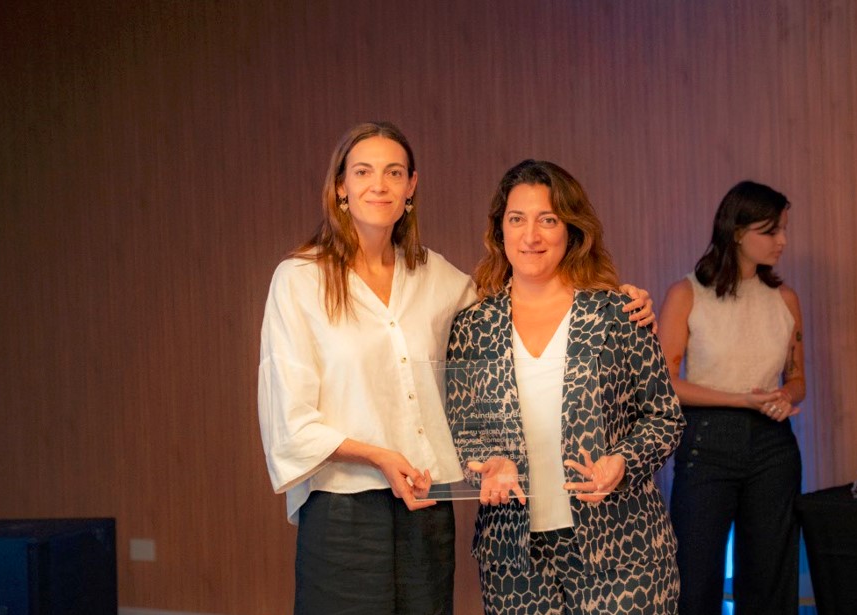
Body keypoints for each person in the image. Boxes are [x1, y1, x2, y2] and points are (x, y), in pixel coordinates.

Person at [257, 123, 657, 614]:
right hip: (343, 506)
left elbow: (516, 304)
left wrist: (617, 299)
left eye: (393, 172)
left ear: (411, 187)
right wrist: (378, 456)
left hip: (427, 506)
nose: (379, 185)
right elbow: (289, 417)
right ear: (340, 186)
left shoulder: (435, 276)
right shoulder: (300, 278)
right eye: (362, 172)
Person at [444, 159, 684, 614]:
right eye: (517, 219)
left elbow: (665, 417)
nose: (530, 236)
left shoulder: (619, 314)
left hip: (623, 552)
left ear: (571, 230)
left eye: (548, 220)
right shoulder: (473, 327)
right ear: (500, 230)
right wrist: (485, 465)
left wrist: (623, 461)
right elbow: (462, 430)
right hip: (513, 559)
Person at [657, 180, 806, 615]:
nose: (783, 240)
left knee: (770, 579)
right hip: (707, 443)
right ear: (738, 232)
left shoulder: (785, 299)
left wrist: (784, 396)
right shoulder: (686, 294)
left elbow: (798, 379)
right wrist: (743, 400)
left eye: (784, 229)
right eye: (771, 231)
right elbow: (665, 384)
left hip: (774, 444)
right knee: (694, 579)